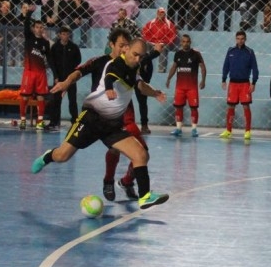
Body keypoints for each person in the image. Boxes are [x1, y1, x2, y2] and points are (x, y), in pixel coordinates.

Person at [32, 38, 170, 210]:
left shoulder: (135, 67)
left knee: (141, 155)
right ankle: (47, 156)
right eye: (135, 55)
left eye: (140, 57)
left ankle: (145, 196)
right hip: (91, 118)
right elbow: (110, 75)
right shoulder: (115, 64)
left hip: (112, 125)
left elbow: (141, 86)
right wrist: (108, 87)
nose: (137, 59)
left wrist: (155, 93)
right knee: (62, 156)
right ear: (125, 49)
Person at [220, 31, 259, 140]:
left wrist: (254, 82)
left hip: (245, 84)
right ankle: (228, 130)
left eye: (242, 38)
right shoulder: (230, 51)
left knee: (246, 106)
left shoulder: (250, 52)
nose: (240, 40)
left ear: (245, 39)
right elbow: (226, 66)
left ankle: (247, 132)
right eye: (238, 38)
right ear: (235, 39)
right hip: (233, 83)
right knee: (230, 106)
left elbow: (255, 68)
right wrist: (223, 79)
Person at [166, 34, 207, 137]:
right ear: (181, 43)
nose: (185, 43)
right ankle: (178, 129)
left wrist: (203, 80)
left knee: (194, 108)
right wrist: (168, 79)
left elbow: (203, 67)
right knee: (178, 107)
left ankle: (194, 129)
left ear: (190, 42)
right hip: (180, 87)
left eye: (187, 41)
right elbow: (174, 67)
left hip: (192, 88)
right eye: (183, 41)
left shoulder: (196, 54)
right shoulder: (178, 54)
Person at [19, 20, 54, 130]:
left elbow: (49, 59)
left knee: (41, 97)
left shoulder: (45, 43)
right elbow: (25, 27)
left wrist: (55, 74)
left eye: (41, 27)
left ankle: (39, 121)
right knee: (25, 97)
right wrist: (28, 14)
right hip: (29, 72)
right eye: (37, 27)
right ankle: (23, 120)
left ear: (43, 29)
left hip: (41, 73)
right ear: (34, 28)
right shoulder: (29, 38)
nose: (39, 29)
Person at [49, 26, 81, 127]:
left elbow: (78, 60)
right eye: (63, 34)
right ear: (59, 35)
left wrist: (72, 75)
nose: (65, 36)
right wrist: (55, 76)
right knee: (56, 100)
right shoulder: (55, 47)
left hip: (70, 78)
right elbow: (52, 62)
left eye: (67, 34)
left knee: (72, 100)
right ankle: (54, 121)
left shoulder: (74, 47)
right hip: (58, 78)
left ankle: (75, 121)